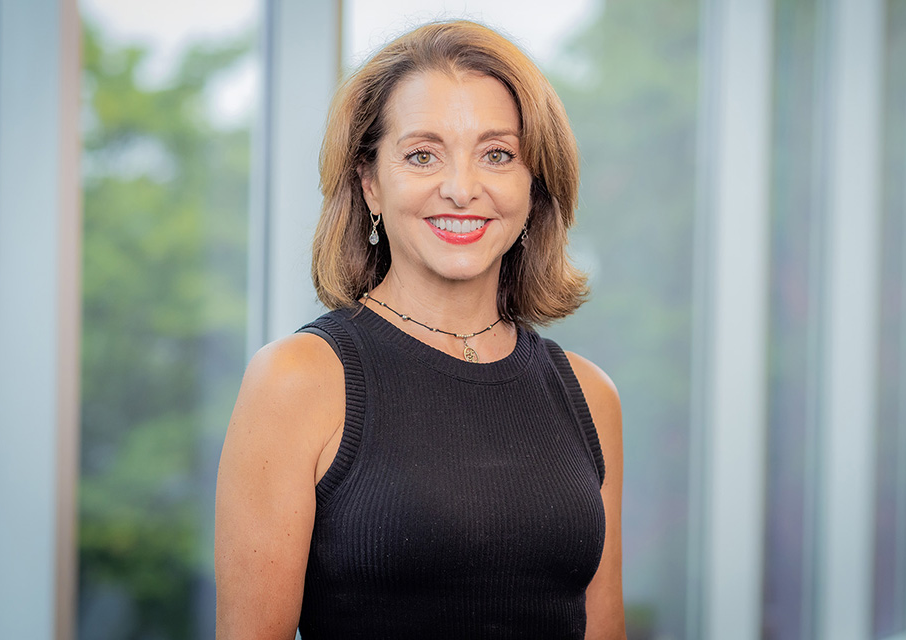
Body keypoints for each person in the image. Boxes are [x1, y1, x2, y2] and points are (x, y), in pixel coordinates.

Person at [214, 20, 624, 640]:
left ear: (533, 183)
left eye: (497, 154)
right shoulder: (298, 381)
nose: (462, 189)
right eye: (422, 155)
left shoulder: (591, 397)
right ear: (370, 182)